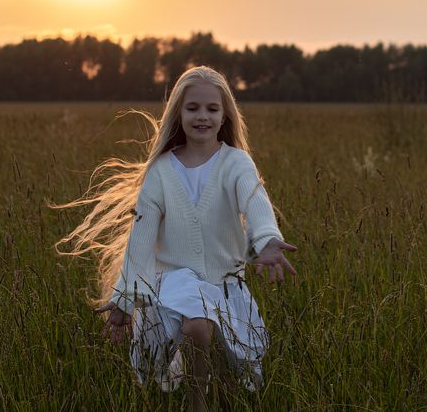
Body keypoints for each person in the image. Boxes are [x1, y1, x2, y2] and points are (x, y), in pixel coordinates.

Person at [56, 66, 297, 411]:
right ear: (178, 114)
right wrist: (126, 297)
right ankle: (197, 403)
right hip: (173, 279)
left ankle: (212, 392)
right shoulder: (161, 171)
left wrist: (268, 240)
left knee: (230, 374)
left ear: (225, 114)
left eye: (212, 109)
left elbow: (254, 199)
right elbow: (141, 236)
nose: (202, 116)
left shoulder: (236, 162)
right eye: (193, 108)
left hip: (225, 281)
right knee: (198, 326)